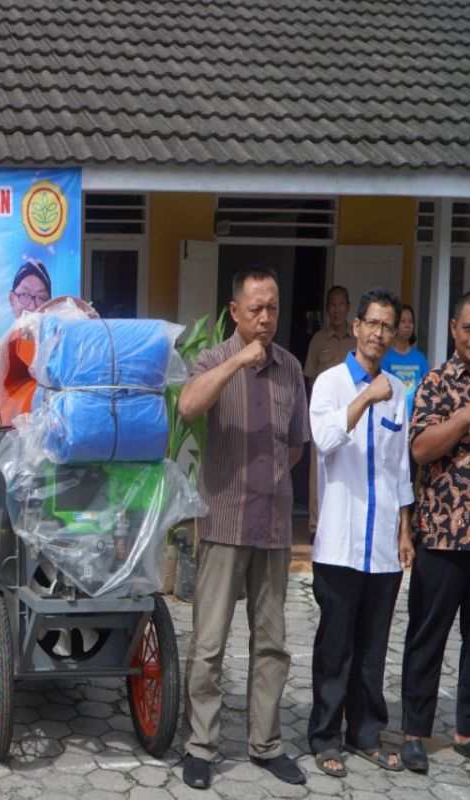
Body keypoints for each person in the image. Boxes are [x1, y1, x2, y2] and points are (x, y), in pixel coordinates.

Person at [177, 267, 310, 790]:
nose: (265, 317)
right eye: (255, 308)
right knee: (209, 643)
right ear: (234, 312)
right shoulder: (213, 359)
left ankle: (266, 744)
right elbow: (188, 406)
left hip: (274, 527)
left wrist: (273, 478)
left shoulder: (292, 369)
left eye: (272, 307)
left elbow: (296, 442)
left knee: (272, 644)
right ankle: (200, 747)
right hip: (224, 522)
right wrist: (238, 360)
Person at [307, 288, 414, 778]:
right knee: (335, 647)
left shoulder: (400, 390)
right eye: (371, 323)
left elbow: (400, 470)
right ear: (355, 326)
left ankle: (366, 733)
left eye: (387, 326)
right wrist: (365, 396)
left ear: (395, 334)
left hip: (383, 545)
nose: (378, 333)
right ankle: (325, 735)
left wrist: (405, 529)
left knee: (372, 646)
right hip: (339, 542)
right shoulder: (330, 384)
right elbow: (325, 440)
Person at [399, 289, 470, 774]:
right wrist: (467, 415)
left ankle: (467, 728)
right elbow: (422, 448)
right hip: (444, 534)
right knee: (428, 635)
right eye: (469, 329)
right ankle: (413, 732)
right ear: (453, 330)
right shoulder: (435, 383)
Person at [304, 285, 357, 535]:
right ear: (327, 309)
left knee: (350, 467)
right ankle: (317, 525)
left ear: (348, 307)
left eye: (341, 304)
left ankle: (346, 523)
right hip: (325, 415)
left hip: (353, 414)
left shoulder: (357, 340)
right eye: (332, 305)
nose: (336, 309)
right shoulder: (318, 340)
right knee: (318, 470)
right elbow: (310, 378)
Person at [382, 303, 430, 416]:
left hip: (415, 420)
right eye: (403, 321)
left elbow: (427, 390)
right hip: (392, 420)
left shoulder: (420, 358)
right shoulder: (386, 358)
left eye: (411, 321)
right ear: (394, 325)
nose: (407, 325)